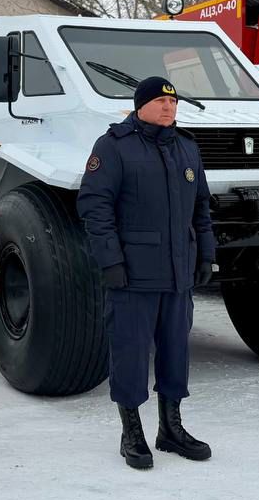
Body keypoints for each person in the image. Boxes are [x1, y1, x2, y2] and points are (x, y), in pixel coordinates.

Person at [77, 76, 216, 469]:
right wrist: (111, 262)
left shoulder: (187, 147)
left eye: (173, 102)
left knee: (176, 351)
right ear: (140, 106)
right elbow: (95, 208)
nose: (168, 108)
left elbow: (201, 208)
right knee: (130, 353)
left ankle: (171, 428)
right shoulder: (114, 146)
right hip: (133, 275)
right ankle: (132, 433)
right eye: (160, 102)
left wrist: (206, 256)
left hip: (178, 273)